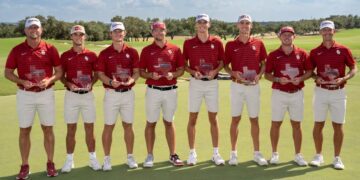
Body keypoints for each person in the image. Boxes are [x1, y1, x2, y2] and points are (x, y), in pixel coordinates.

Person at [4, 17, 62, 179]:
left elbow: (59, 72)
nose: (33, 30)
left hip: (46, 94)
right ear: (25, 31)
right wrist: (22, 81)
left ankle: (50, 163)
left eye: (36, 28)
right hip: (25, 95)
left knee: (48, 128)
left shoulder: (50, 49)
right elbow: (7, 73)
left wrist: (49, 80)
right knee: (24, 130)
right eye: (30, 28)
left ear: (41, 30)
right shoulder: (17, 50)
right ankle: (24, 165)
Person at [309, 20, 357, 170]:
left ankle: (337, 158)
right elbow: (310, 72)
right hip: (321, 92)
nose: (327, 33)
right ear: (320, 32)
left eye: (329, 30)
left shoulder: (343, 50)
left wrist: (344, 78)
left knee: (338, 125)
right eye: (324, 30)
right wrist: (317, 78)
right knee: (318, 124)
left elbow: (353, 68)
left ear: (333, 32)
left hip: (339, 92)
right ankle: (318, 156)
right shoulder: (315, 52)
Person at [264, 26, 312, 166]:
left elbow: (309, 71)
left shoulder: (302, 53)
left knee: (296, 124)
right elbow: (267, 75)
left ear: (294, 36)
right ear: (280, 37)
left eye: (289, 35)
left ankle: (298, 155)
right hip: (279, 93)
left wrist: (301, 78)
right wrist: (278, 80)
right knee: (276, 123)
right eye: (284, 35)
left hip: (297, 93)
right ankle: (274, 154)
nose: (287, 37)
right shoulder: (273, 55)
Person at [139, 21, 185, 167]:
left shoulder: (175, 49)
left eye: (162, 30)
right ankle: (149, 155)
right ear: (152, 33)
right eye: (156, 30)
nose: (159, 33)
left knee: (169, 122)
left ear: (166, 31)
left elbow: (181, 70)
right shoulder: (146, 50)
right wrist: (151, 75)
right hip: (153, 90)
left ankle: (172, 154)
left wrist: (173, 74)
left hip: (170, 90)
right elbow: (141, 72)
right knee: (151, 123)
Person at [224, 14, 268, 166]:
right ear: (237, 25)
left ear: (251, 26)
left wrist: (260, 75)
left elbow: (264, 64)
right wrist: (232, 73)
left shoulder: (259, 43)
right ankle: (233, 154)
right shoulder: (230, 45)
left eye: (247, 23)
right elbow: (225, 65)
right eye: (242, 23)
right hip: (237, 86)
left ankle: (257, 153)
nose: (244, 25)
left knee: (254, 119)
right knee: (235, 119)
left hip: (253, 87)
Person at [183, 14, 225, 166]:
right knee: (193, 118)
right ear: (196, 25)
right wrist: (193, 72)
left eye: (204, 22)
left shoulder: (217, 42)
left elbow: (222, 62)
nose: (202, 25)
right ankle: (192, 152)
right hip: (196, 83)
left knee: (213, 118)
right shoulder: (188, 43)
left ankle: (216, 152)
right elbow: (184, 65)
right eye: (199, 22)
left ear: (209, 24)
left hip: (212, 83)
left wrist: (215, 71)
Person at [97, 22, 140, 170]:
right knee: (109, 126)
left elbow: (136, 72)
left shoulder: (133, 52)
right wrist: (110, 81)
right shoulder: (104, 54)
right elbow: (100, 74)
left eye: (120, 31)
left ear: (125, 33)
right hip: (111, 94)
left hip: (128, 94)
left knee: (128, 125)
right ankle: (107, 159)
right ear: (111, 34)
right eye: (115, 32)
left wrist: (131, 81)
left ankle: (130, 156)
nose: (118, 34)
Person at [60, 25, 101, 173]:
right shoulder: (65, 56)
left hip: (88, 96)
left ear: (85, 36)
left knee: (89, 128)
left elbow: (97, 73)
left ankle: (93, 159)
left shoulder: (92, 55)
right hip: (71, 96)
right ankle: (69, 161)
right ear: (71, 37)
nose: (78, 37)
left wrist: (92, 83)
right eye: (75, 34)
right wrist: (68, 84)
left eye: (81, 34)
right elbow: (60, 75)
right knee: (71, 128)